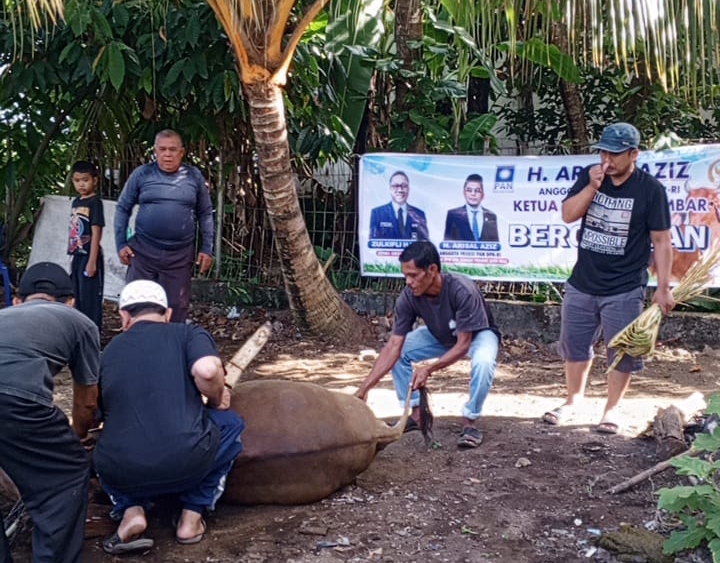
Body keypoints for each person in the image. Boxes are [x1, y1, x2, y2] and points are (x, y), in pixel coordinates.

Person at [541, 122, 675, 434]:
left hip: (625, 286)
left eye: (615, 154)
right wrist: (591, 186)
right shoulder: (589, 176)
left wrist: (663, 288)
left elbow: (662, 241)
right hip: (583, 281)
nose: (607, 160)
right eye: (603, 152)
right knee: (574, 346)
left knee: (622, 351)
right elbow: (568, 215)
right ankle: (572, 401)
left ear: (634, 154)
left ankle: (611, 409)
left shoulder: (650, 190)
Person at [94, 280, 245, 555]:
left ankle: (131, 511)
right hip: (186, 461)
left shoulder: (107, 353)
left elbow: (95, 413)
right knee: (232, 425)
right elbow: (208, 371)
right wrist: (216, 399)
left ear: (124, 317)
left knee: (107, 445)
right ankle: (192, 517)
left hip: (124, 470)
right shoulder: (187, 334)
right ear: (168, 314)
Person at [355, 241, 500, 449]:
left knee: (484, 362)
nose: (408, 282)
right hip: (439, 334)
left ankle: (470, 421)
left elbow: (463, 345)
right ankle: (416, 414)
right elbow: (393, 346)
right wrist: (364, 388)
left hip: (477, 334)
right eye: (405, 275)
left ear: (432, 270)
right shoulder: (408, 297)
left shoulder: (462, 290)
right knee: (400, 352)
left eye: (413, 275)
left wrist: (428, 369)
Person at [0, 262, 100, 563]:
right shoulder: (79, 321)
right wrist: (75, 437)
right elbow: (87, 402)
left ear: (17, 300)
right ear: (71, 302)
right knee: (64, 478)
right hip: (18, 400)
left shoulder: (4, 316)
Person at [114, 129, 214, 323]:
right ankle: (139, 340)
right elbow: (123, 208)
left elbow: (205, 212)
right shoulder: (142, 174)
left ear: (182, 152)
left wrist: (207, 249)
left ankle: (171, 341)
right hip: (143, 252)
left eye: (172, 149)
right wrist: (121, 243)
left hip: (179, 255)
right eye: (162, 149)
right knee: (138, 304)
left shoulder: (193, 176)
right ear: (155, 151)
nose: (167, 154)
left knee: (176, 306)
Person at [67, 160, 105, 330]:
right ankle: (79, 331)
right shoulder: (76, 202)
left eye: (85, 180)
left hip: (90, 255)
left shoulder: (95, 203)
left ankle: (93, 333)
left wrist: (92, 261)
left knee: (90, 298)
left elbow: (96, 232)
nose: (81, 184)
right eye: (77, 180)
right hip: (77, 254)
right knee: (77, 296)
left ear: (94, 180)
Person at [369, 171, 429, 240]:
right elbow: (373, 242)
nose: (400, 190)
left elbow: (425, 243)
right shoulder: (378, 214)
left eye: (404, 186)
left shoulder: (419, 214)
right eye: (395, 186)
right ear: (390, 189)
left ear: (408, 189)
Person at [443, 174, 499, 242]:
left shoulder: (491, 216)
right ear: (464, 193)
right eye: (469, 190)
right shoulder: (453, 215)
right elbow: (447, 244)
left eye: (477, 190)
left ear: (483, 194)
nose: (473, 194)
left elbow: (495, 245)